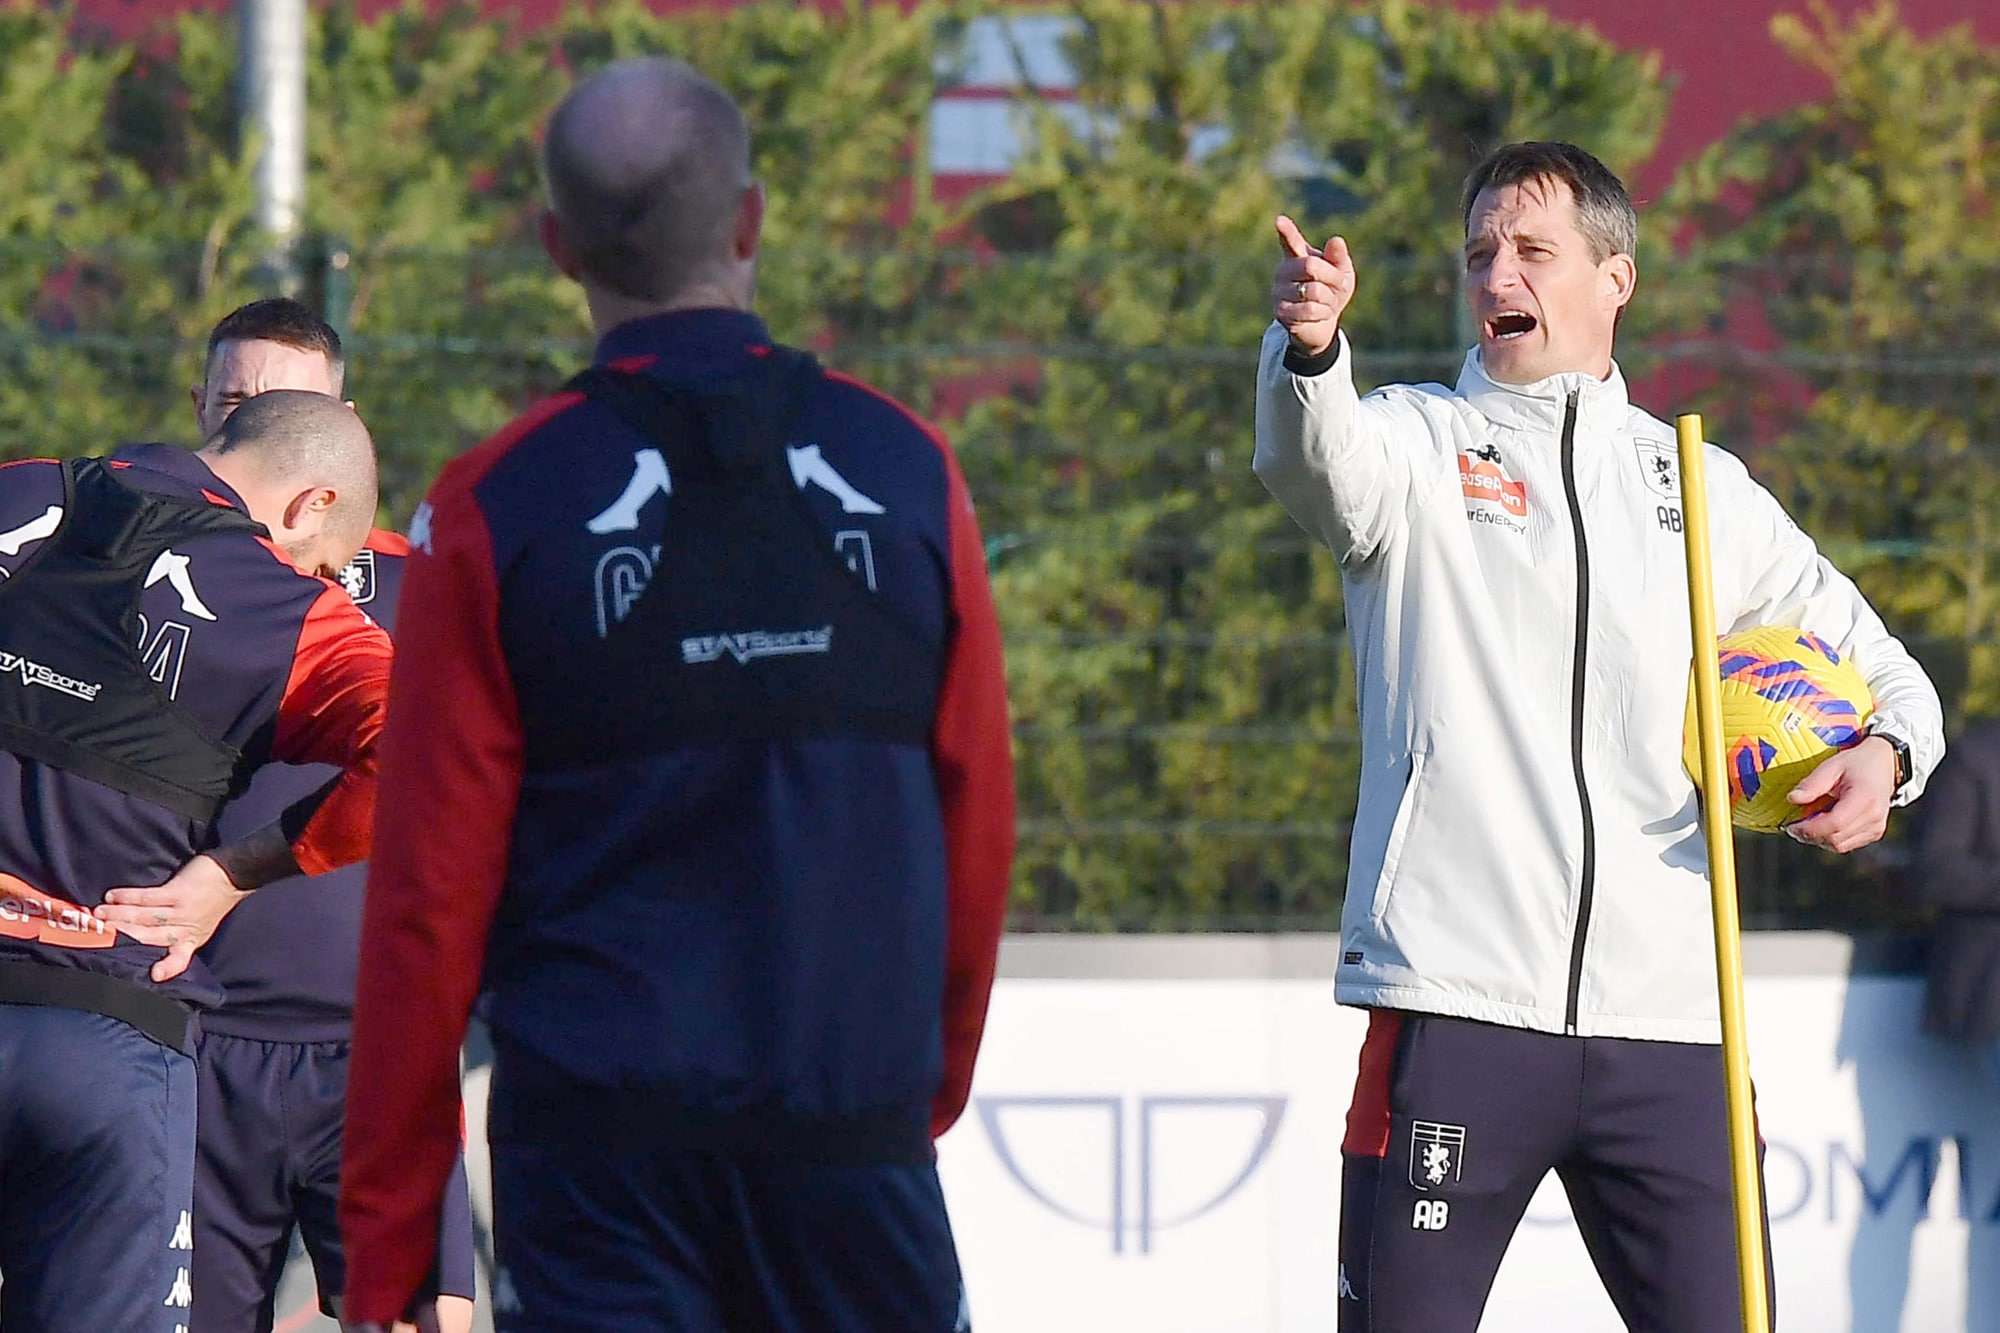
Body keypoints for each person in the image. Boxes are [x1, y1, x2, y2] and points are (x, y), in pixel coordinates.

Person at [338, 57, 1016, 1333]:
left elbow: (425, 901)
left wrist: (387, 1253)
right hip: (847, 1141)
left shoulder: (493, 504)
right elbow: (974, 815)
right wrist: (912, 1088)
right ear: (749, 221)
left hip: (597, 1171)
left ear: (556, 247)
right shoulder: (905, 466)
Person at [1256, 140, 1944, 1331]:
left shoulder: (1699, 486)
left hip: (1672, 1027)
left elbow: (1888, 675)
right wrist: (1308, 350)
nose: (1495, 275)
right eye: (1478, 253)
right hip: (1455, 1001)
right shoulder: (1414, 442)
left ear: (1613, 278)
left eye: (1530, 249)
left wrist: (1883, 756)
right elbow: (1311, 461)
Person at [0, 389, 391, 1333]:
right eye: (325, 565)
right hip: (102, 1033)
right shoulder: (293, 610)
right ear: (311, 507)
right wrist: (234, 871)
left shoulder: (23, 488)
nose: (318, 579)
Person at [186, 300, 478, 1333]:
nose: (255, 427)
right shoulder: (145, 579)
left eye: (287, 405)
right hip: (194, 1043)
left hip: (380, 1053)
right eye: (233, 403)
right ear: (198, 407)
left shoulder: (419, 585)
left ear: (340, 427)